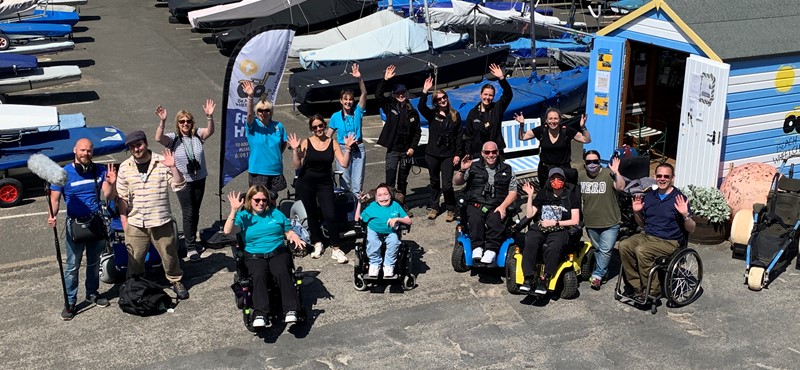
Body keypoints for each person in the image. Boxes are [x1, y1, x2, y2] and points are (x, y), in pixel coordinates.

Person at [48, 138, 116, 320]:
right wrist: (52, 215)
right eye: (82, 150)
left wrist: (111, 183)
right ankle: (70, 302)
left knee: (94, 264)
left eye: (89, 151)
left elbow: (108, 196)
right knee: (72, 267)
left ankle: (92, 293)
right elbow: (54, 200)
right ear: (75, 150)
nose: (86, 153)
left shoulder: (100, 171)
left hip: (96, 224)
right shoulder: (62, 173)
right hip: (75, 226)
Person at [116, 131, 189, 300]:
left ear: (146, 143)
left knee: (169, 254)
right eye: (132, 147)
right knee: (134, 258)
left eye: (139, 144)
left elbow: (179, 186)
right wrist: (123, 219)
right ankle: (134, 285)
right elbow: (122, 197)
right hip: (135, 222)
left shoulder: (162, 161)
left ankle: (175, 280)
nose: (136, 149)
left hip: (160, 219)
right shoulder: (125, 167)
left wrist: (173, 167)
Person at [224, 186, 305, 327]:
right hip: (254, 255)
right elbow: (228, 231)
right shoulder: (244, 216)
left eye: (264, 200)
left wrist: (294, 237)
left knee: (282, 272)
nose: (261, 203)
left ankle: (291, 309)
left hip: (277, 251)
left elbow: (288, 231)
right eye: (257, 200)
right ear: (250, 200)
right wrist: (234, 210)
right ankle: (261, 312)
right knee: (259, 275)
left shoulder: (276, 214)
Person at [619, 163, 695, 299]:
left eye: (666, 176)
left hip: (669, 241)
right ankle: (637, 286)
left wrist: (685, 215)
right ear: (655, 177)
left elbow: (692, 228)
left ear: (672, 178)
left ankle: (653, 291)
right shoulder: (649, 196)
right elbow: (642, 224)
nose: (662, 179)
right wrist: (637, 213)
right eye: (659, 176)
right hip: (648, 235)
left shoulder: (679, 198)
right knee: (624, 245)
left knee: (642, 250)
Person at [287, 114, 355, 263]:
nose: (318, 129)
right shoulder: (306, 142)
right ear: (311, 129)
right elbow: (297, 166)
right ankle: (317, 243)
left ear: (324, 126)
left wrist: (348, 148)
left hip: (325, 183)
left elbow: (343, 163)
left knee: (330, 215)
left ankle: (336, 248)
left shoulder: (332, 142)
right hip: (306, 183)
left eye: (320, 126)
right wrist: (295, 150)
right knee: (312, 215)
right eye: (314, 127)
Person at [154, 99, 216, 262]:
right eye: (182, 121)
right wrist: (162, 121)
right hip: (182, 181)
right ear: (178, 124)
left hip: (199, 178)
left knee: (195, 211)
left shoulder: (197, 135)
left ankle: (192, 240)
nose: (185, 124)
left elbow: (210, 131)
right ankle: (190, 248)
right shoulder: (173, 138)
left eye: (188, 121)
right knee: (188, 212)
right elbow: (158, 137)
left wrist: (209, 117)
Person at [519, 168, 581, 295]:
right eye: (553, 178)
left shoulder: (571, 195)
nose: (556, 181)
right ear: (549, 180)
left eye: (559, 178)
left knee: (554, 245)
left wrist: (555, 223)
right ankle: (529, 277)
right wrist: (530, 196)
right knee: (530, 239)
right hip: (542, 227)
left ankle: (545, 278)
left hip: (560, 228)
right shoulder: (543, 193)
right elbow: (530, 214)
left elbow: (575, 220)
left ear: (564, 180)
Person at [453, 141, 518, 264]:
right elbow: (457, 182)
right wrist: (461, 169)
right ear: (482, 153)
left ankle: (491, 250)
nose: (491, 155)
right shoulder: (473, 166)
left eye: (494, 152)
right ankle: (477, 247)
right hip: (476, 204)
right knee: (475, 218)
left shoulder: (507, 169)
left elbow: (513, 192)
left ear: (498, 153)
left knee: (495, 219)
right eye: (487, 152)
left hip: (496, 205)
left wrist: (503, 207)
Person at [578, 151, 624, 290]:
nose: (592, 164)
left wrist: (616, 172)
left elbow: (621, 187)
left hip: (611, 221)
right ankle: (604, 271)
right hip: (591, 222)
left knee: (605, 250)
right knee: (598, 249)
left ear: (600, 162)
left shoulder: (608, 174)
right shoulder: (580, 176)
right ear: (585, 164)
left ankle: (597, 276)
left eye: (595, 161)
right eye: (589, 162)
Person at [375, 64, 421, 201]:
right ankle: (389, 205)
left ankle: (402, 204)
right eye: (398, 93)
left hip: (406, 151)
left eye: (403, 93)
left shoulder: (412, 112)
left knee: (402, 180)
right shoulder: (390, 106)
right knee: (390, 179)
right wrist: (385, 80)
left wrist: (413, 147)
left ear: (406, 94)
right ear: (394, 95)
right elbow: (378, 95)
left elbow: (417, 132)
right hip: (393, 150)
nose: (401, 95)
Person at [418, 76, 461, 222]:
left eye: (444, 98)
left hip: (448, 155)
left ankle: (451, 207)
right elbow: (421, 107)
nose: (442, 100)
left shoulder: (455, 115)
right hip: (432, 154)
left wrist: (457, 154)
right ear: (435, 102)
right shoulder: (432, 115)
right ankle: (434, 206)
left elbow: (459, 136)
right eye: (439, 99)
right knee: (434, 181)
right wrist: (425, 91)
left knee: (447, 185)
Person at [516, 108, 591, 187]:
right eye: (550, 119)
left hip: (563, 169)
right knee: (546, 194)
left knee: (564, 194)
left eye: (555, 118)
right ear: (546, 120)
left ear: (560, 119)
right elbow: (522, 137)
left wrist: (583, 127)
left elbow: (586, 139)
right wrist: (521, 125)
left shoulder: (566, 130)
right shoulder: (542, 130)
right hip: (545, 169)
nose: (553, 121)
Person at [355, 183, 413, 278]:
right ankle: (374, 264)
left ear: (390, 195)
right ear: (376, 198)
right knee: (372, 241)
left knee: (394, 242)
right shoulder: (372, 206)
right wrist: (359, 203)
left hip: (391, 232)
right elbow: (357, 218)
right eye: (380, 195)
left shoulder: (395, 206)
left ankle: (389, 265)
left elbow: (408, 221)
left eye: (386, 194)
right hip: (374, 230)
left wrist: (397, 219)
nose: (383, 197)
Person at [241, 80, 288, 191]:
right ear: (257, 112)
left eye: (267, 110)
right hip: (258, 170)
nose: (263, 113)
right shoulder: (253, 125)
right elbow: (249, 114)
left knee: (272, 200)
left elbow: (284, 143)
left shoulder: (278, 126)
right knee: (259, 200)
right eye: (260, 110)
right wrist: (250, 97)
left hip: (275, 169)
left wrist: (275, 153)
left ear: (271, 112)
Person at [327, 63, 367, 194]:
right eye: (345, 99)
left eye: (350, 100)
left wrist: (359, 79)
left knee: (357, 184)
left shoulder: (358, 112)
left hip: (358, 148)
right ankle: (345, 211)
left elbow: (364, 93)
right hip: (343, 149)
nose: (348, 102)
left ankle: (356, 211)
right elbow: (328, 136)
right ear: (341, 101)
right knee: (344, 183)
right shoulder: (335, 117)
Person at [463, 63, 512, 159]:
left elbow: (508, 94)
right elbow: (469, 135)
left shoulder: (497, 108)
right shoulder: (473, 113)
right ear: (480, 95)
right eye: (485, 94)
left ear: (493, 97)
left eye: (490, 95)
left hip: (496, 151)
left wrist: (501, 78)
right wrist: (468, 153)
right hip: (479, 152)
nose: (487, 97)